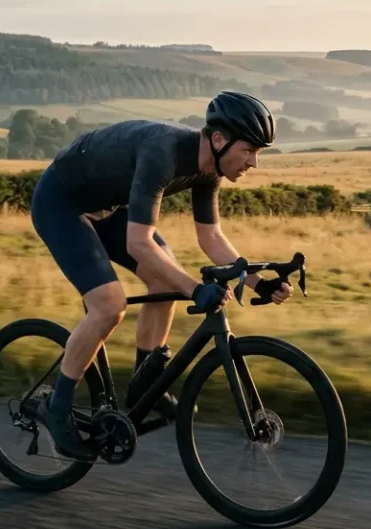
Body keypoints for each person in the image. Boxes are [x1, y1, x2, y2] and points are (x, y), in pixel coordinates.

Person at [27, 90, 293, 461]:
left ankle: (143, 382)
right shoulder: (163, 152)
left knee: (167, 279)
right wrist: (195, 289)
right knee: (109, 305)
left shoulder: (209, 170)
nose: (253, 162)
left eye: (257, 153)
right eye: (249, 150)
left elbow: (211, 238)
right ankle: (57, 407)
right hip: (61, 203)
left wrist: (256, 280)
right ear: (218, 140)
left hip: (106, 208)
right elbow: (139, 243)